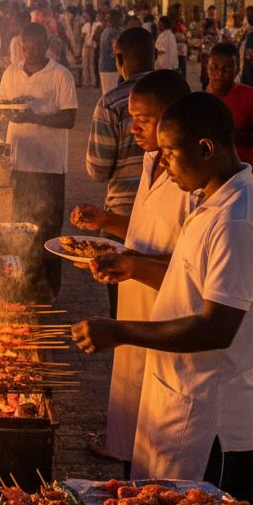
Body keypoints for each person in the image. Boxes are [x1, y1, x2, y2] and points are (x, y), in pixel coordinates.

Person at [73, 92, 253, 505]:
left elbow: (216, 325)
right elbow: (192, 277)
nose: (161, 164)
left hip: (215, 417)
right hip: (185, 400)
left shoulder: (238, 218)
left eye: (170, 152)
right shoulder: (213, 200)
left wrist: (123, 332)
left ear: (208, 147)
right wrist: (135, 266)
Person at [71, 70, 192, 470]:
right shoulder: (151, 160)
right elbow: (141, 229)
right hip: (134, 298)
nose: (133, 127)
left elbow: (194, 266)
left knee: (161, 435)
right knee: (132, 413)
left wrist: (134, 265)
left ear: (175, 118)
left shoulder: (191, 179)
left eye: (145, 118)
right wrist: (105, 222)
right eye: (131, 116)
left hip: (167, 310)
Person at [0, 22, 77, 301]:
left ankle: (51, 290)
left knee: (49, 231)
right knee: (18, 228)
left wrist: (34, 116)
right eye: (24, 47)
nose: (28, 53)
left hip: (50, 166)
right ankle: (22, 286)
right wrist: (6, 112)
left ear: (46, 46)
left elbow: (69, 118)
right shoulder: (10, 72)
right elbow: (2, 107)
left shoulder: (61, 75)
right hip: (18, 163)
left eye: (34, 48)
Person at [86, 27, 155, 315]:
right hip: (168, 218)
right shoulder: (179, 95)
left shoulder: (112, 102)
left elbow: (98, 169)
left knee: (123, 309)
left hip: (122, 212)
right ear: (154, 57)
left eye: (144, 121)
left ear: (118, 59)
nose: (137, 127)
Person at [205, 42, 253, 169]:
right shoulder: (200, 101)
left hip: (240, 178)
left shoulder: (250, 95)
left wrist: (231, 135)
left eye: (227, 68)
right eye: (214, 67)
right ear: (207, 67)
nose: (219, 73)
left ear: (237, 69)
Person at [97, 9, 123, 94]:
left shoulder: (106, 31)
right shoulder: (112, 33)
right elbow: (116, 50)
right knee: (111, 94)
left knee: (107, 93)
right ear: (117, 19)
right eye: (121, 18)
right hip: (111, 68)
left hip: (106, 67)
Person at [79, 9, 100, 87]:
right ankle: (86, 81)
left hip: (93, 46)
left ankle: (92, 81)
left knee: (91, 64)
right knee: (85, 64)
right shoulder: (86, 25)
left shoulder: (98, 24)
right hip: (86, 46)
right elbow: (82, 37)